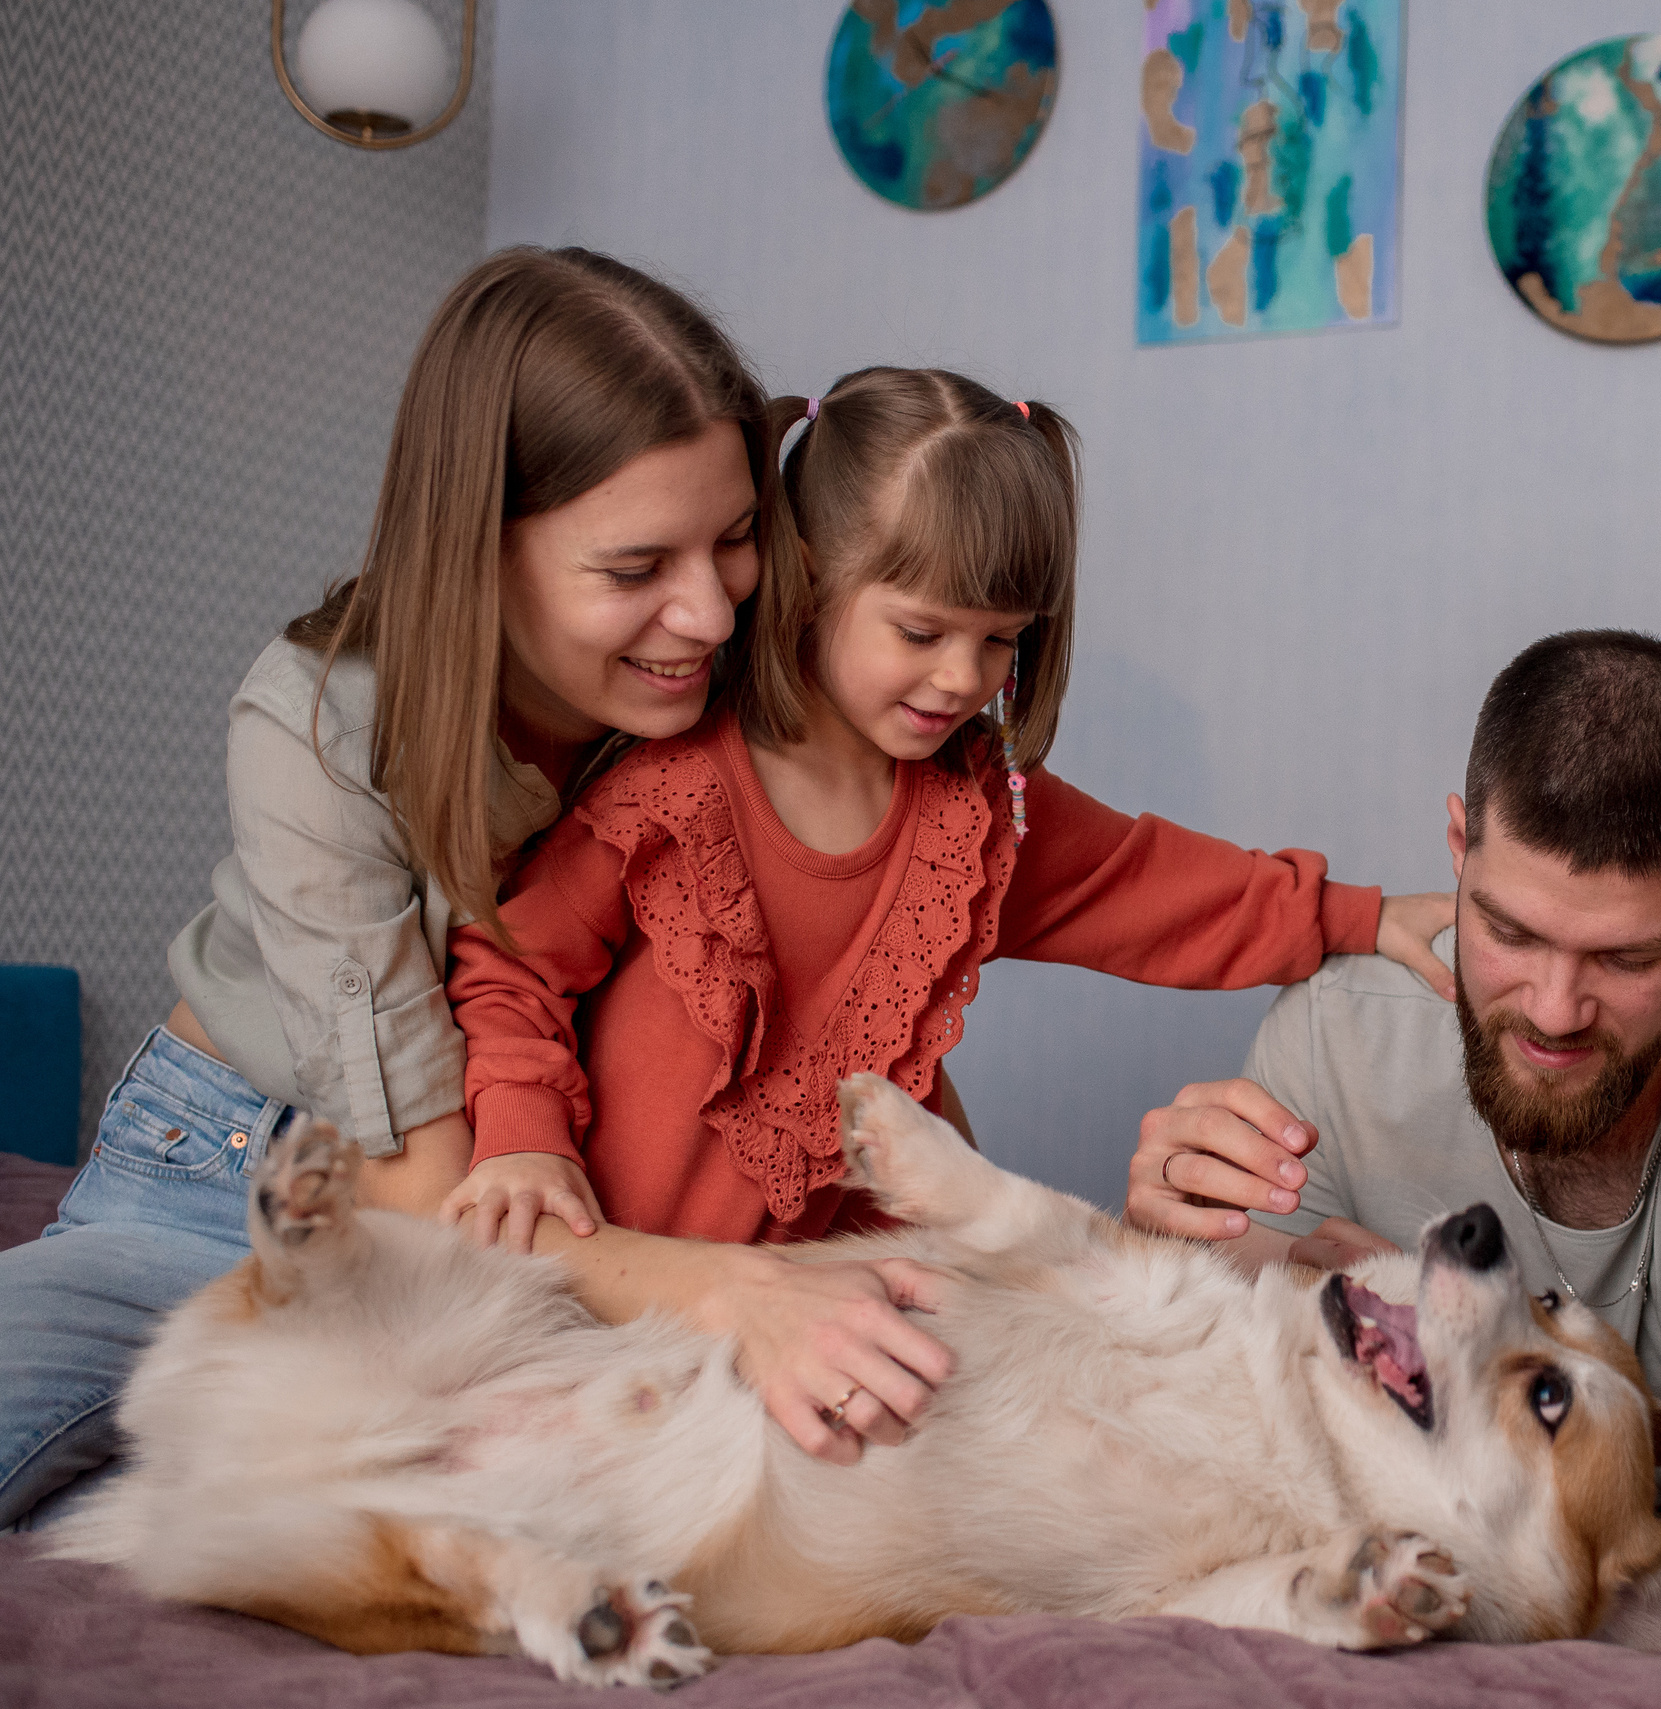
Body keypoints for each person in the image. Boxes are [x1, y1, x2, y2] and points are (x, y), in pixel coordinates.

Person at [441, 366, 1457, 1468]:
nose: (961, 676)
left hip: (830, 1329)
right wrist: (524, 1138)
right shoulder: (666, 793)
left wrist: (1359, 914)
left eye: (998, 641)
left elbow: (1151, 883)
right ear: (812, 578)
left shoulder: (974, 811)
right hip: (638, 1298)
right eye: (921, 631)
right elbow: (508, 970)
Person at [0, 246, 801, 1530]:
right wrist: (708, 1288)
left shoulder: (721, 715)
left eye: (737, 540)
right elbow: (418, 1182)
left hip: (538, 1219)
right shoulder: (320, 724)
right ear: (481, 550)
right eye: (637, 566)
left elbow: (859, 998)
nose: (708, 610)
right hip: (237, 1177)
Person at [1123, 629, 1661, 1646]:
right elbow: (1200, 1422)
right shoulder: (1338, 1032)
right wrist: (1162, 1243)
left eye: (1625, 956)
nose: (1555, 1010)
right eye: (1511, 933)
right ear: (1457, 846)